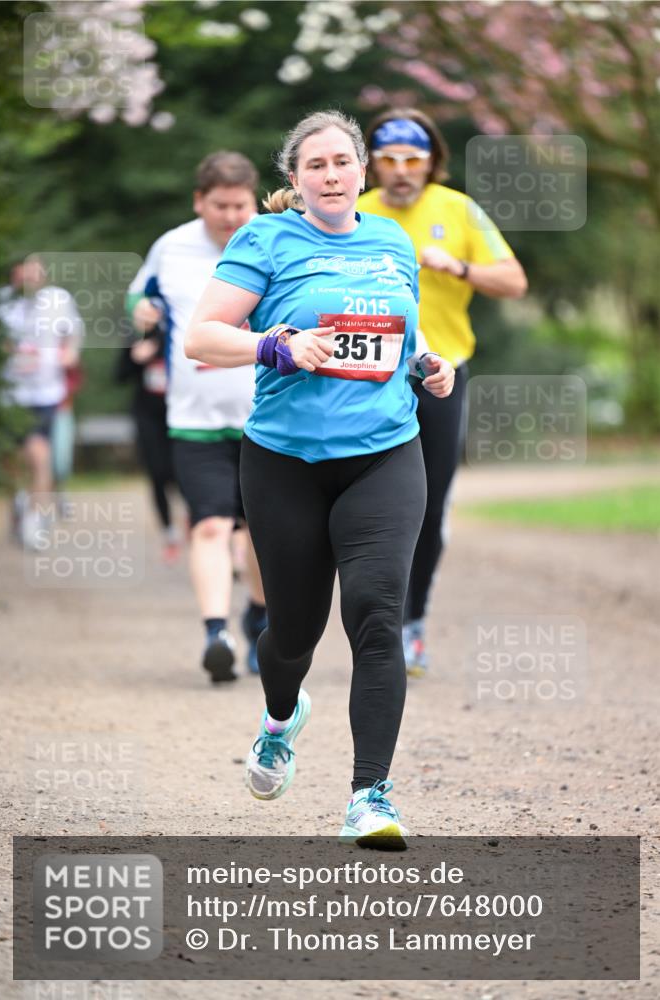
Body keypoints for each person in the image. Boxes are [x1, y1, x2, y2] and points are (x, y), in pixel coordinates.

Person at [185, 110, 455, 847]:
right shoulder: (266, 239)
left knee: (375, 617)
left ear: (360, 170)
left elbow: (400, 329)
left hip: (384, 452)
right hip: (285, 462)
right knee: (292, 632)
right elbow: (201, 336)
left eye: (342, 162)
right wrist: (277, 344)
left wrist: (431, 365)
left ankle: (370, 796)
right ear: (296, 179)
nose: (331, 176)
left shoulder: (391, 240)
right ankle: (280, 718)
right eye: (316, 166)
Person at [359, 109, 528, 677]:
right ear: (372, 163)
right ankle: (360, 618)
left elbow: (513, 280)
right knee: (353, 499)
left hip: (439, 373)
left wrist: (456, 265)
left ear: (432, 160)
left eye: (413, 159)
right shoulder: (354, 211)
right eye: (389, 159)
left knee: (427, 505)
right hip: (362, 374)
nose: (401, 170)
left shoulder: (458, 210)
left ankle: (412, 621)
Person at [127, 151, 267, 681]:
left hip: (266, 416)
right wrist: (141, 311)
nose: (231, 217)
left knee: (258, 532)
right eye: (219, 206)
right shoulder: (172, 246)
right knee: (209, 524)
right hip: (194, 418)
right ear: (198, 201)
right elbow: (139, 297)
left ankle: (259, 619)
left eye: (240, 205)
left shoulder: (274, 239)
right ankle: (216, 632)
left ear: (254, 200)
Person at [0, 256, 83, 549]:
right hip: (9, 395)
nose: (33, 275)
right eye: (27, 269)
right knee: (11, 460)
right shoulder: (2, 302)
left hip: (46, 392)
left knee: (39, 452)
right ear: (15, 272)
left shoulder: (59, 300)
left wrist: (69, 354)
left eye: (38, 269)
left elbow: (73, 334)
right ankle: (19, 505)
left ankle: (36, 518)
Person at [115, 320, 180, 564]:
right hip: (147, 417)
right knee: (157, 474)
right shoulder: (136, 336)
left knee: (181, 473)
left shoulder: (179, 329)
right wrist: (136, 358)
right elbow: (119, 376)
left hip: (179, 415)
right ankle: (169, 532)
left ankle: (194, 522)